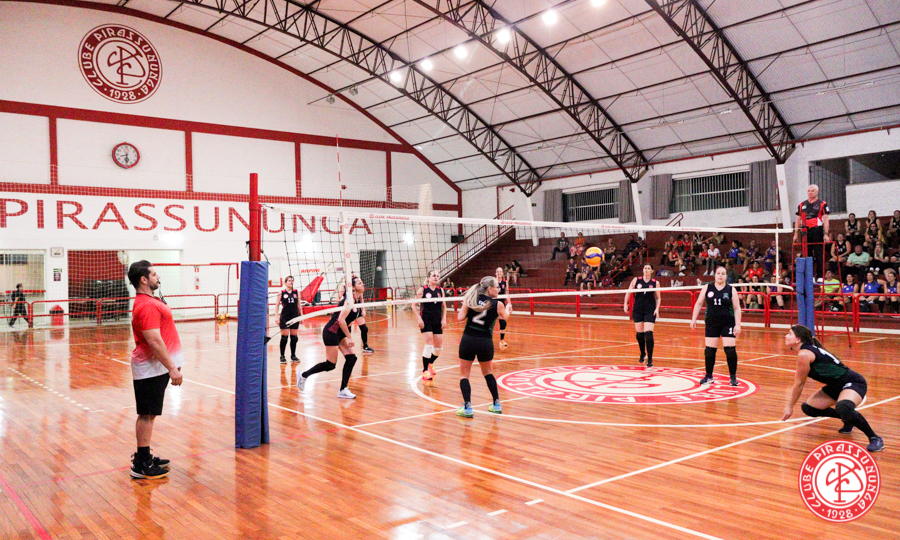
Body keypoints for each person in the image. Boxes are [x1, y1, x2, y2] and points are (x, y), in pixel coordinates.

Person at [780, 325, 883, 453]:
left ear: (798, 339)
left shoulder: (804, 354)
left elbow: (799, 383)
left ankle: (874, 438)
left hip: (853, 382)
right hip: (836, 386)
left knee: (843, 407)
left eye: (790, 333)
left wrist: (790, 406)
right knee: (808, 408)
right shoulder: (807, 351)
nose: (786, 336)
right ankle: (848, 419)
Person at [127, 260, 184, 480]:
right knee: (146, 414)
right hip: (150, 367)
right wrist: (172, 368)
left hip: (156, 367)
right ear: (144, 279)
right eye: (154, 274)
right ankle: (141, 464)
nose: (158, 277)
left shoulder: (150, 301)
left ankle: (144, 455)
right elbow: (154, 340)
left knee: (150, 413)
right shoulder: (147, 305)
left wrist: (173, 363)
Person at [297, 276, 365, 398]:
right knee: (330, 365)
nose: (363, 284)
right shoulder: (349, 301)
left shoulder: (357, 301)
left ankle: (343, 389)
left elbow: (348, 321)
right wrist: (349, 337)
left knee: (351, 358)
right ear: (353, 287)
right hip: (331, 332)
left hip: (340, 333)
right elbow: (341, 320)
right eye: (360, 283)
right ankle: (303, 375)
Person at [455, 276, 512, 418]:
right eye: (497, 287)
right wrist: (508, 309)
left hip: (468, 340)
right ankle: (496, 404)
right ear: (489, 289)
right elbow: (505, 317)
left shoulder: (471, 299)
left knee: (464, 375)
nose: (499, 289)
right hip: (485, 342)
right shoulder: (498, 304)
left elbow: (459, 318)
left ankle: (467, 407)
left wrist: (465, 305)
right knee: (488, 372)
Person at [690, 265, 742, 386]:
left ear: (726, 276)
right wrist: (693, 319)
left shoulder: (731, 290)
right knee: (709, 350)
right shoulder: (707, 287)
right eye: (718, 273)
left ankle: (733, 377)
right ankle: (709, 376)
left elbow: (737, 308)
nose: (720, 276)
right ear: (715, 275)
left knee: (730, 350)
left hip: (728, 323)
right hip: (712, 323)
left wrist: (738, 324)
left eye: (723, 274)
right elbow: (698, 303)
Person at [624, 264, 660, 367]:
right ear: (643, 270)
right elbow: (628, 292)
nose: (646, 270)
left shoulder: (655, 283)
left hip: (650, 310)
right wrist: (625, 303)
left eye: (649, 268)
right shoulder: (636, 280)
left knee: (648, 333)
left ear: (652, 271)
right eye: (645, 268)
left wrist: (657, 308)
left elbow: (658, 297)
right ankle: (643, 353)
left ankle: (650, 359)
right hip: (638, 309)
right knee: (640, 335)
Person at [416, 271, 447, 381]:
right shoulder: (423, 290)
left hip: (437, 320)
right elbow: (413, 305)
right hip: (426, 320)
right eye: (433, 275)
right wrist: (419, 318)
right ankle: (425, 371)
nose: (436, 277)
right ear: (428, 278)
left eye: (437, 276)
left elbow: (444, 306)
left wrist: (444, 318)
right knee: (428, 344)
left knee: (438, 348)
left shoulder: (440, 290)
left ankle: (430, 363)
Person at [793, 184, 830, 277]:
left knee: (819, 253)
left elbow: (826, 219)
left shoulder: (822, 204)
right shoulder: (802, 205)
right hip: (805, 231)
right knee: (807, 253)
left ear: (817, 192)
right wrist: (796, 233)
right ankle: (810, 276)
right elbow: (798, 219)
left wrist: (826, 234)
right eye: (809, 191)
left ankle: (820, 275)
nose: (810, 192)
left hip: (817, 230)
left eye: (812, 191)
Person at [276, 275, 300, 364]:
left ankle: (293, 355)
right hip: (285, 317)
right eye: (289, 280)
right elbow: (277, 305)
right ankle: (282, 356)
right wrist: (276, 317)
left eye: (292, 280)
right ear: (285, 282)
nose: (291, 282)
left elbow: (299, 304)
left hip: (295, 316)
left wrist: (301, 316)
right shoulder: (281, 292)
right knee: (284, 338)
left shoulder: (296, 292)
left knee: (294, 338)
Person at [495, 267, 512, 348]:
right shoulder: (493, 282)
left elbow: (507, 294)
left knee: (503, 322)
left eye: (500, 271)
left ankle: (502, 340)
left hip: (502, 304)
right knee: (489, 321)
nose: (499, 273)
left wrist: (510, 304)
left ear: (502, 273)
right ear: (495, 273)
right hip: (494, 303)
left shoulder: (505, 282)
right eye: (498, 271)